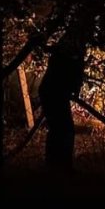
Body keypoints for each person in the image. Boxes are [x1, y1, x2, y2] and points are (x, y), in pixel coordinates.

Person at [39, 31, 88, 173]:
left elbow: (73, 70)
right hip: (55, 92)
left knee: (59, 129)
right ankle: (60, 167)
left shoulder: (66, 49)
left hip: (53, 92)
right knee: (63, 130)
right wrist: (74, 87)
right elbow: (74, 69)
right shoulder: (72, 48)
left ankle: (56, 166)